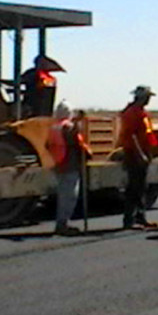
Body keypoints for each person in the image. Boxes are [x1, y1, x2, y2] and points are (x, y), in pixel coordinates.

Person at [119, 86, 158, 230]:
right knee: (134, 187)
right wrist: (140, 154)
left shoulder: (142, 113)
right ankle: (129, 220)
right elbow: (132, 136)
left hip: (143, 152)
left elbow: (147, 133)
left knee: (142, 186)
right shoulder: (132, 113)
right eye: (148, 97)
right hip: (134, 154)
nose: (149, 99)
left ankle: (141, 217)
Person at [47, 100, 92, 235]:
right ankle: (62, 224)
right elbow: (78, 143)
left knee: (63, 195)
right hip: (69, 165)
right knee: (69, 196)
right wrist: (88, 153)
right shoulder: (68, 127)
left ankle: (61, 223)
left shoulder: (54, 127)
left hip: (59, 164)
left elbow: (47, 145)